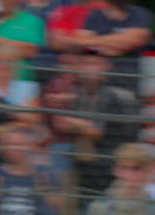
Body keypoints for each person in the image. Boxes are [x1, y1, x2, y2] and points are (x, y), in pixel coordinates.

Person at [48, 47, 140, 198]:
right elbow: (60, 124)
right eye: (85, 63)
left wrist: (74, 122)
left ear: (106, 66)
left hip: (111, 171)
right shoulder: (79, 93)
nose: (89, 68)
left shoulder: (114, 94)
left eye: (95, 63)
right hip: (84, 170)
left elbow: (96, 131)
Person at [70, 0, 154, 81]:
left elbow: (135, 40)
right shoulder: (94, 16)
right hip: (99, 81)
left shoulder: (141, 14)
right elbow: (79, 43)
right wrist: (118, 41)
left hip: (133, 81)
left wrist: (96, 43)